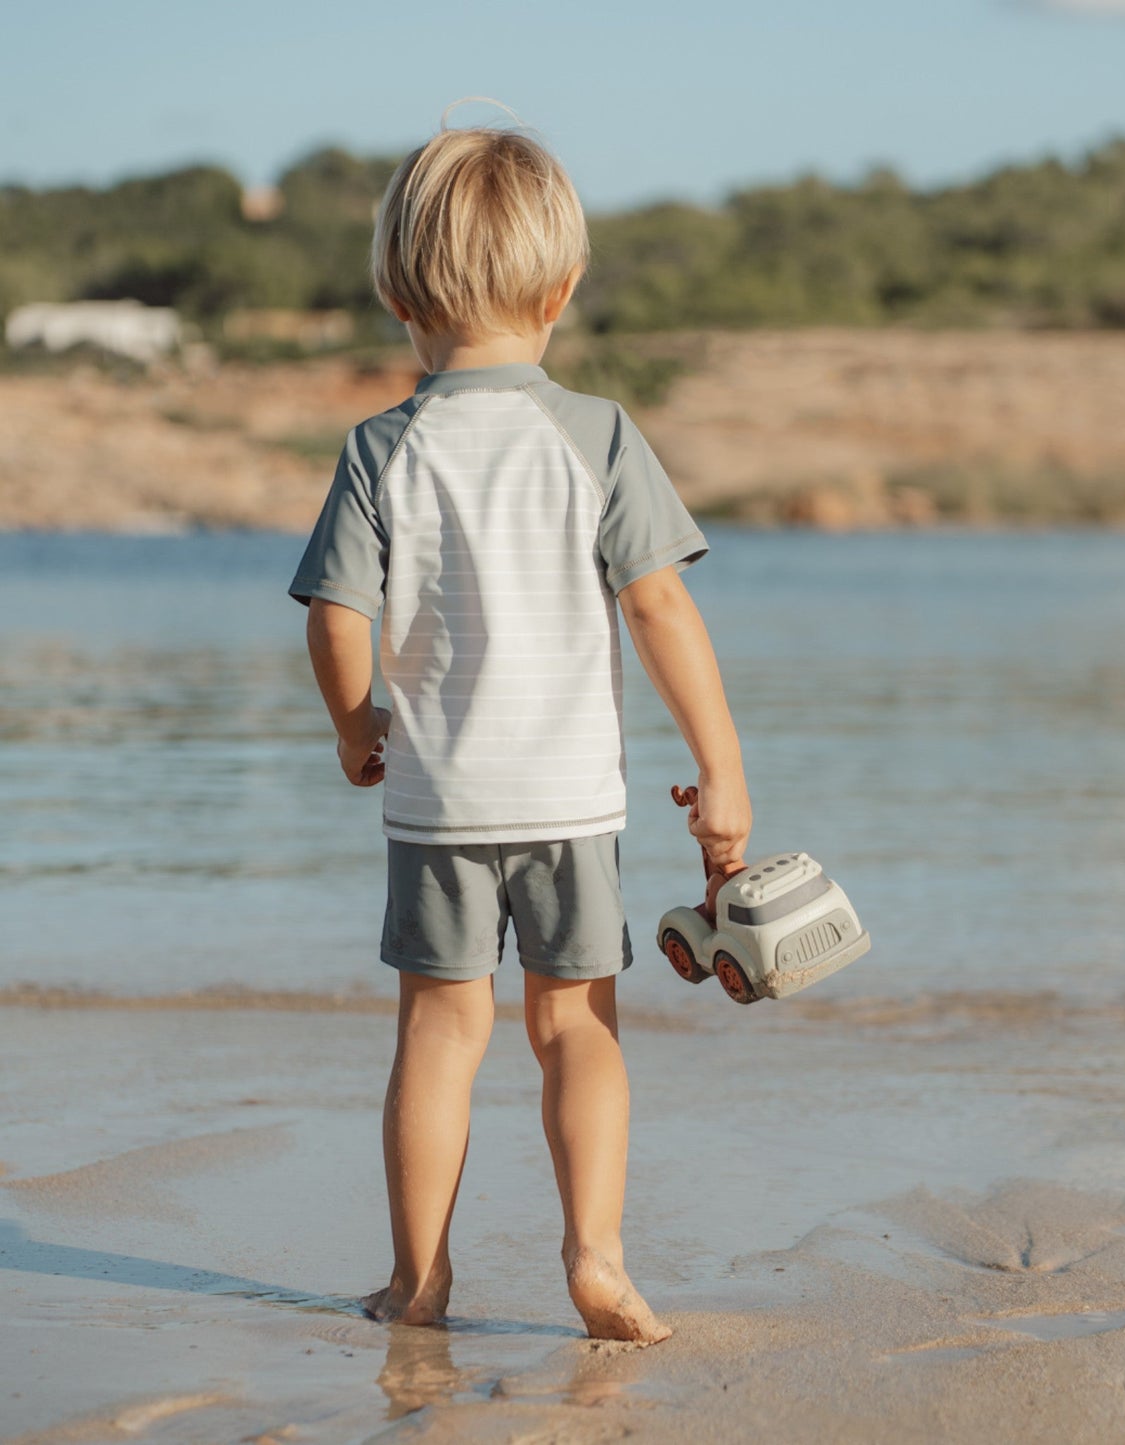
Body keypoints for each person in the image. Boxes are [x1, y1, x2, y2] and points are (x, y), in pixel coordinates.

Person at [288, 116, 750, 1343]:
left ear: (396, 288)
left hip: (437, 802)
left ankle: (418, 1280)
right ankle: (595, 1260)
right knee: (574, 1027)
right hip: (570, 806)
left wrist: (353, 726)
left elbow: (338, 617)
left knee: (440, 1034)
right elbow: (658, 605)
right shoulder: (595, 433)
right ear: (562, 288)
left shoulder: (380, 447)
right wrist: (720, 768)